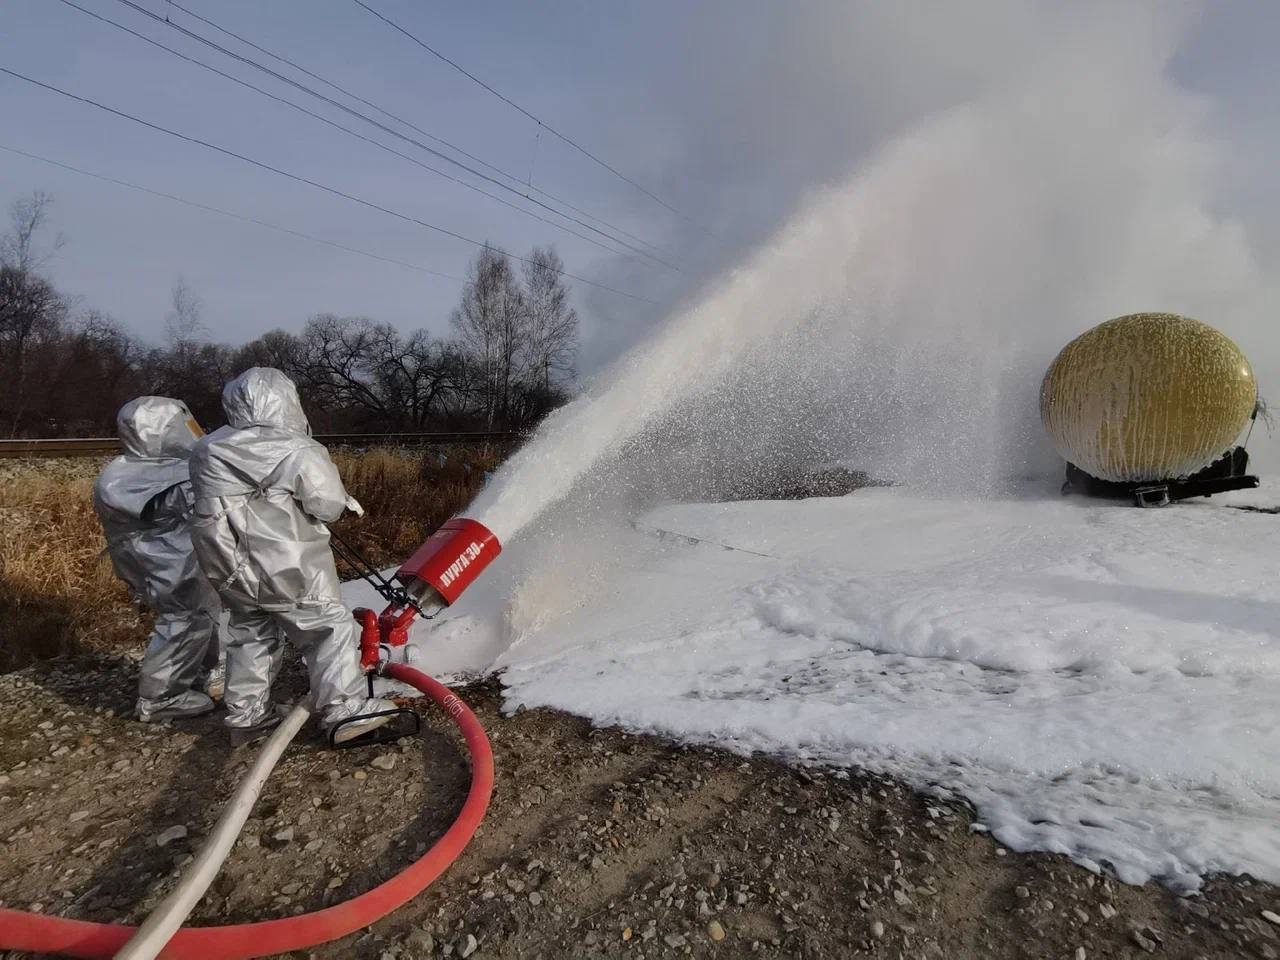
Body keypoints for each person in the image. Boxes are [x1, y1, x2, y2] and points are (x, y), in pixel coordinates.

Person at [188, 367, 393, 746]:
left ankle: (246, 718)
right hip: (288, 565)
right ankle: (345, 711)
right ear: (286, 400)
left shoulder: (206, 449)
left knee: (250, 635)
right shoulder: (297, 448)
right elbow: (327, 504)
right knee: (328, 630)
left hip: (229, 569)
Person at [94, 397, 223, 722]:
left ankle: (198, 675)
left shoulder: (119, 473)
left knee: (200, 618)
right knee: (186, 621)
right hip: (172, 566)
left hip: (154, 562)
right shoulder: (171, 477)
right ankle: (162, 697)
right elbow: (210, 511)